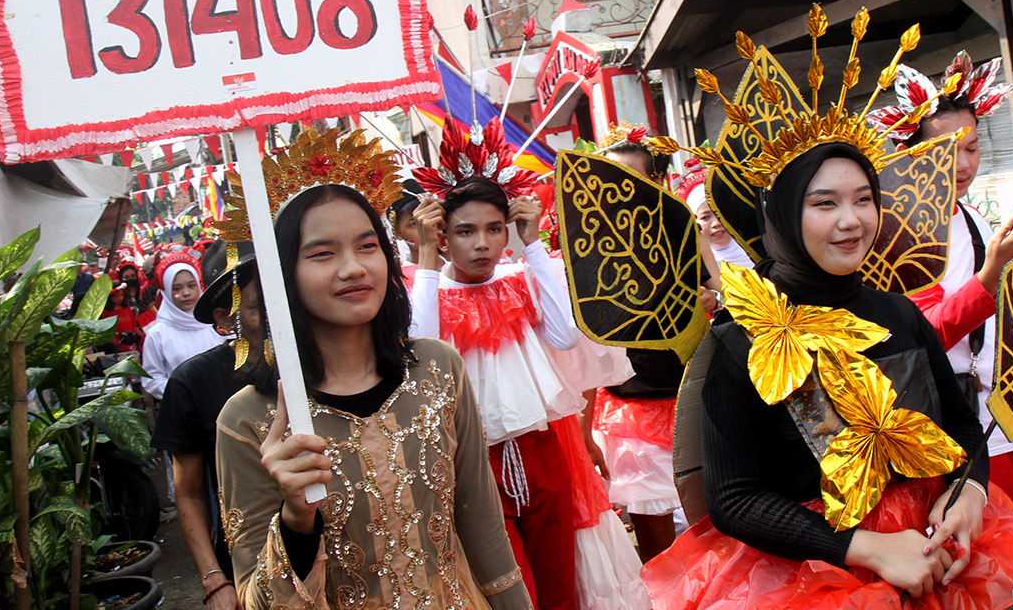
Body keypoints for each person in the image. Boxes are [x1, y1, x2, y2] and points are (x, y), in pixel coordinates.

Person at [641, 142, 1013, 610]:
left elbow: (963, 424)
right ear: (782, 214)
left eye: (864, 199)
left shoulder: (900, 314)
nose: (852, 221)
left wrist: (969, 489)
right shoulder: (742, 339)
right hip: (813, 573)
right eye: (825, 203)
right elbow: (734, 499)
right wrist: (870, 549)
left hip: (945, 549)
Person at [215, 129, 530, 610]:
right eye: (322, 253)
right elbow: (259, 601)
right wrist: (297, 521)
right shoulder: (249, 421)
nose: (353, 268)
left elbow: (483, 526)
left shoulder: (437, 369)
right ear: (282, 275)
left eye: (367, 246)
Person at [871, 55, 1013, 521]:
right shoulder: (902, 234)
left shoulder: (974, 217)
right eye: (947, 149)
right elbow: (925, 336)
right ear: (912, 151)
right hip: (972, 434)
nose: (963, 164)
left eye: (973, 148)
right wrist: (992, 275)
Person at [410, 176, 582, 610]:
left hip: (540, 447)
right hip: (471, 462)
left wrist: (535, 243)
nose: (482, 243)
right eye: (465, 231)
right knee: (509, 591)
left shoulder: (518, 278)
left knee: (561, 582)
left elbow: (564, 336)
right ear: (443, 237)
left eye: (494, 228)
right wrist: (426, 258)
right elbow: (421, 357)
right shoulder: (429, 291)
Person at [589, 133, 718, 561]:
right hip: (632, 413)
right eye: (607, 177)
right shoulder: (586, 247)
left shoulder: (685, 230)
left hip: (694, 397)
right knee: (658, 549)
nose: (617, 190)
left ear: (657, 180)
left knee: (714, 532)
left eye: (629, 178)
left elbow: (722, 292)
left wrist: (712, 302)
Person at [151, 239, 262, 610]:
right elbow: (190, 493)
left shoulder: (323, 361)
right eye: (260, 306)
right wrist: (215, 580)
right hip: (248, 566)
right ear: (225, 317)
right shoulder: (192, 383)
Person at [140, 253, 225, 400]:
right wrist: (183, 393)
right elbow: (152, 377)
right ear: (166, 292)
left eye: (191, 286)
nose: (186, 293)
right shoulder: (158, 334)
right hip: (183, 409)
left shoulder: (218, 324)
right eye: (177, 289)